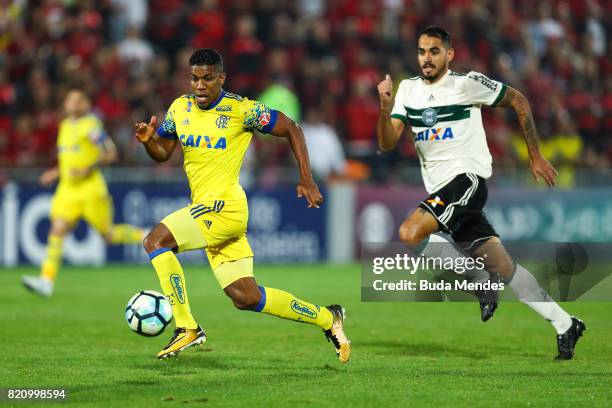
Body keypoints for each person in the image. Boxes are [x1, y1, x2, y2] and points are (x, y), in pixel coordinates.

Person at [376, 26, 585, 360]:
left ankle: (478, 281)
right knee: (505, 268)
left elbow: (519, 100)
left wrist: (534, 154)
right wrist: (384, 107)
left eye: (434, 51)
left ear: (449, 54)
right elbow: (386, 143)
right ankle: (566, 323)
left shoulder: (466, 83)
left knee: (410, 232)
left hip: (467, 182)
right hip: (444, 193)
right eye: (421, 51)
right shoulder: (408, 91)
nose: (426, 58)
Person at [134, 48, 350, 362]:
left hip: (225, 207)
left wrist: (306, 178)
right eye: (194, 78)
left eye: (208, 78)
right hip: (207, 210)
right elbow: (163, 153)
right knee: (245, 296)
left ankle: (186, 327)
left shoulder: (242, 110)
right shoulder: (179, 108)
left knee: (155, 241)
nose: (200, 85)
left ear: (221, 78)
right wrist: (149, 142)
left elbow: (292, 128)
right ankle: (329, 319)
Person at [22, 89, 145, 297]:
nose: (74, 104)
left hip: (90, 189)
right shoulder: (64, 126)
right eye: (70, 100)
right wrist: (54, 172)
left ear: (86, 104)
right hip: (67, 190)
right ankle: (46, 281)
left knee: (108, 235)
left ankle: (145, 235)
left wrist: (87, 169)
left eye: (79, 100)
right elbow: (68, 160)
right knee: (57, 229)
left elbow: (110, 153)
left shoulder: (91, 126)